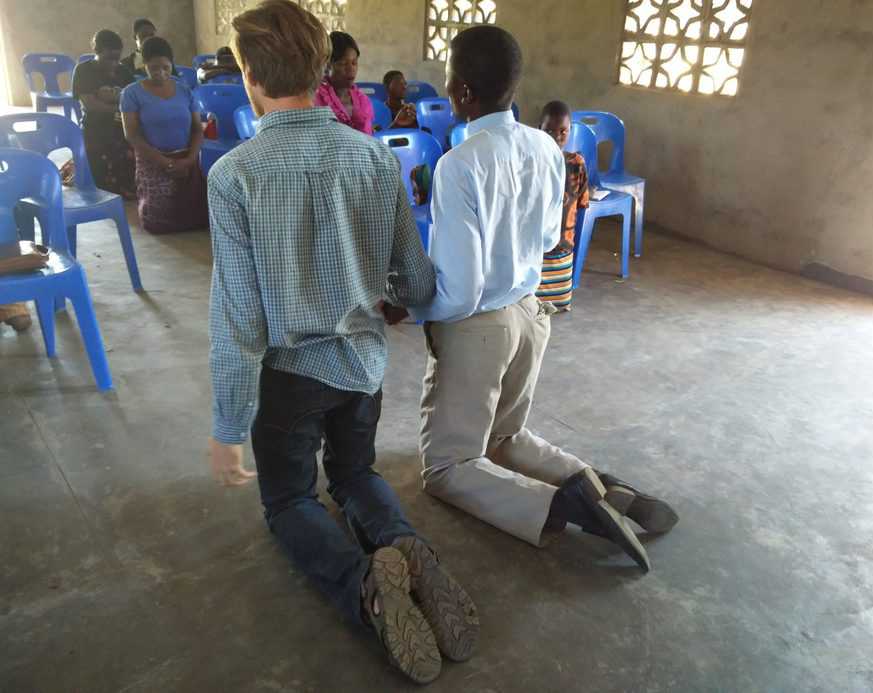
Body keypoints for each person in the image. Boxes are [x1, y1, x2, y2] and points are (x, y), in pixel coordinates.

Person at [207, 1, 477, 684]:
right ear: (322, 69)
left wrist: (228, 425)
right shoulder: (373, 156)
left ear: (249, 76)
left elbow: (239, 318)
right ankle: (405, 545)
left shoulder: (234, 175)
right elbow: (414, 279)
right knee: (355, 474)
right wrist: (399, 299)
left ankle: (366, 587)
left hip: (288, 376)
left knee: (290, 501)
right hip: (362, 363)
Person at [407, 26, 678, 571]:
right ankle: (599, 486)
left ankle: (560, 506)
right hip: (532, 315)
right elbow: (552, 237)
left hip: (480, 326)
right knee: (505, 436)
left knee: (448, 467)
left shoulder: (460, 164)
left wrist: (417, 311)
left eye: (449, 79)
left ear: (463, 92)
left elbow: (460, 291)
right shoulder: (546, 146)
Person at [120, 37, 208, 233]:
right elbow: (132, 135)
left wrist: (189, 160)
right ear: (144, 65)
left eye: (166, 67)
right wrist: (164, 162)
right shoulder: (131, 93)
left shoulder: (184, 91)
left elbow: (197, 129)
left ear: (172, 64)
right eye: (153, 68)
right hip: (152, 159)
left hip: (186, 159)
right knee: (158, 221)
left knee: (198, 217)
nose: (160, 73)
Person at [536, 100, 589, 312]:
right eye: (549, 131)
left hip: (562, 249)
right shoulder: (531, 162)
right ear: (539, 129)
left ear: (570, 131)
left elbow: (582, 205)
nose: (556, 137)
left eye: (563, 131)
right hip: (533, 250)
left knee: (558, 303)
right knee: (528, 304)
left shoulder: (576, 164)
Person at [71, 30, 135, 197]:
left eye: (117, 58)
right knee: (99, 173)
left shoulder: (123, 71)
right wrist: (119, 106)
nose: (114, 63)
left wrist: (108, 101)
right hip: (95, 125)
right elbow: (91, 105)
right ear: (97, 52)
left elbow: (134, 100)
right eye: (109, 58)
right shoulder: (83, 71)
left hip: (121, 123)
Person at [314, 31, 374, 134]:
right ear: (327, 65)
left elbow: (369, 137)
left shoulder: (363, 101)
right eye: (343, 63)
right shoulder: (317, 99)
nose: (350, 69)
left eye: (354, 63)